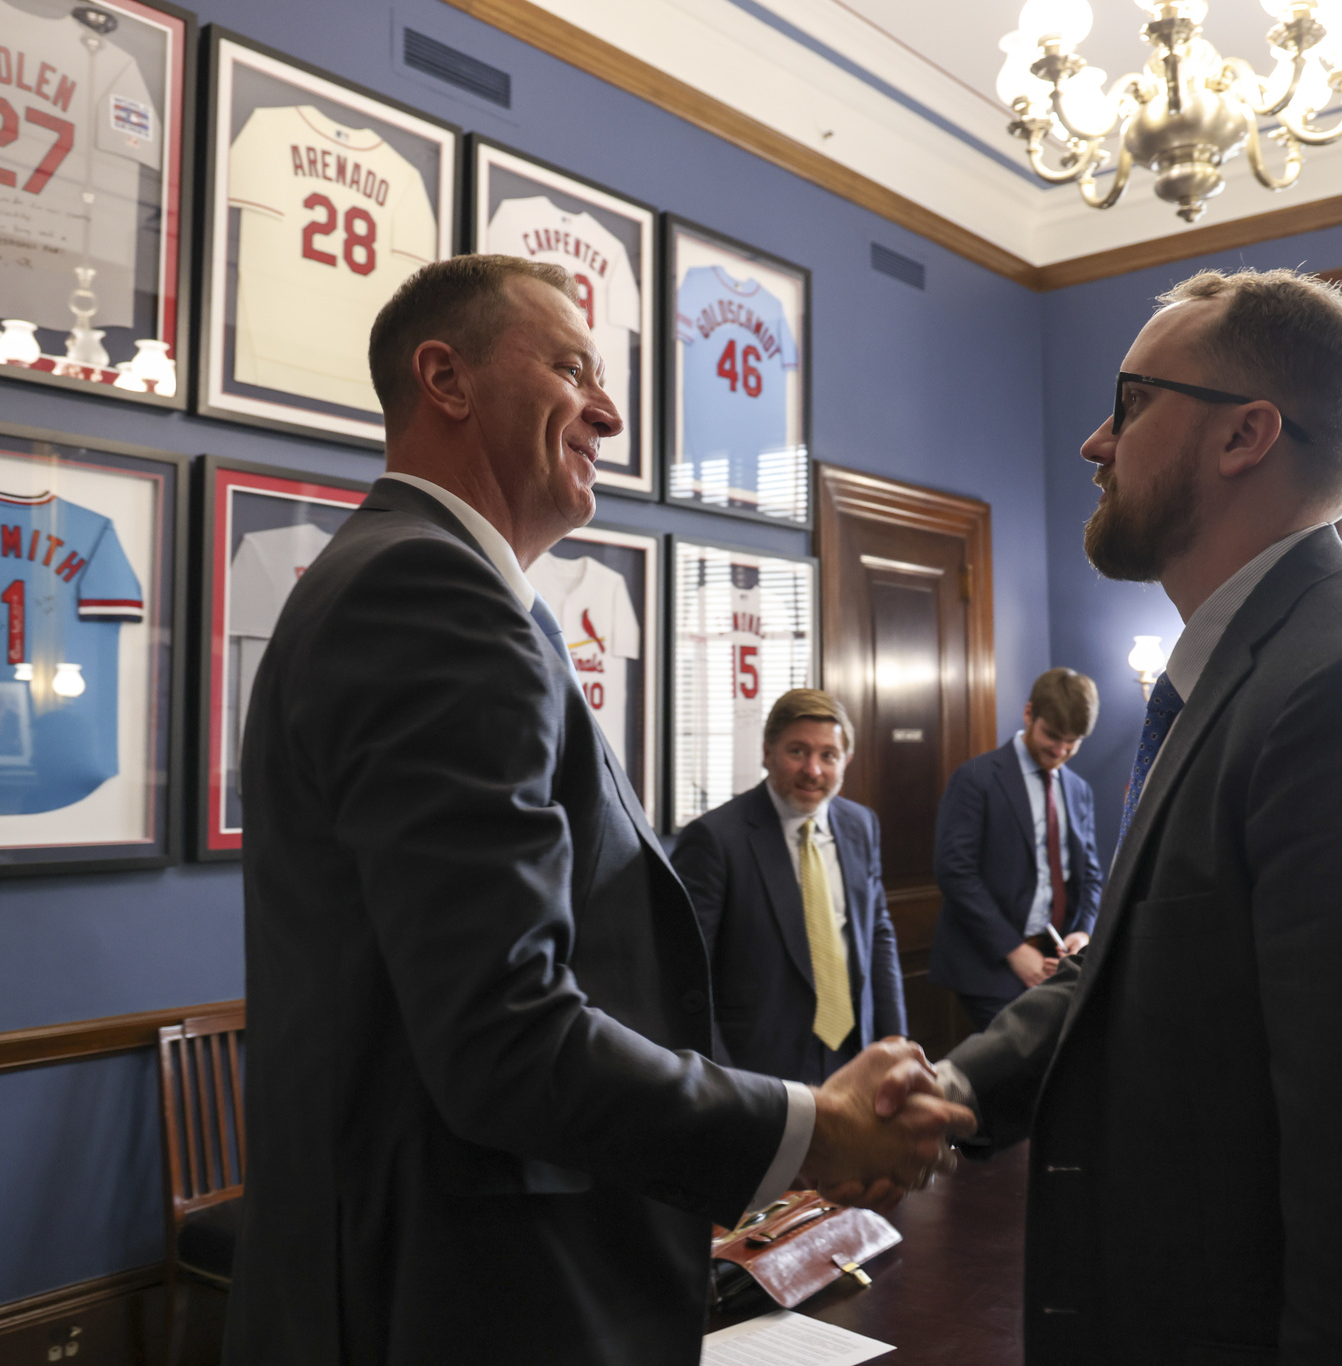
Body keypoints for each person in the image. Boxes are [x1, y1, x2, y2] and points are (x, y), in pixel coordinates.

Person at [224, 255, 972, 1365]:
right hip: (455, 1291)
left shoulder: (432, 585)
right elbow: (503, 1035)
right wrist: (806, 1130)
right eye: (572, 367)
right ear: (446, 377)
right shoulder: (429, 593)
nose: (610, 411)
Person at [909, 268, 1342, 1361]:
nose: (1092, 443)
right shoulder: (1242, 680)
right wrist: (951, 1090)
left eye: (1128, 403)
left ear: (1243, 437)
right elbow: (1123, 958)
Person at [669, 689, 905, 1084]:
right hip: (758, 1065)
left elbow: (877, 932)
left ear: (845, 760)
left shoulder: (861, 825)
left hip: (855, 1049)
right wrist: (721, 1077)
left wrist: (895, 1039)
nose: (813, 770)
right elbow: (686, 974)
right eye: (797, 752)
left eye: (828, 755)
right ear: (767, 753)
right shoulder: (714, 839)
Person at [929, 668, 1104, 1029]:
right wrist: (1012, 949)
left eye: (1072, 743)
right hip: (989, 964)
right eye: (1052, 736)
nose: (1059, 751)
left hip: (1057, 962)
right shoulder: (976, 777)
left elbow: (1090, 876)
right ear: (1028, 714)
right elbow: (954, 871)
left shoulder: (1078, 789)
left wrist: (1083, 933)